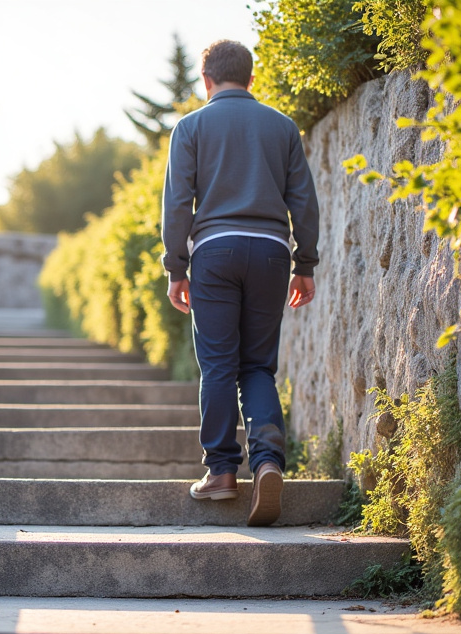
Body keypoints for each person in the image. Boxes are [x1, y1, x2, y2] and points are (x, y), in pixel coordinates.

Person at [160, 39, 319, 526]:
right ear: (252, 79)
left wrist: (176, 267)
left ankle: (222, 472)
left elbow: (177, 204)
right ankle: (268, 461)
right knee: (257, 367)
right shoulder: (282, 126)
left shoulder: (190, 127)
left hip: (215, 253)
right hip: (271, 252)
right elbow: (305, 203)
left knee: (218, 366)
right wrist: (305, 264)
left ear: (206, 80)